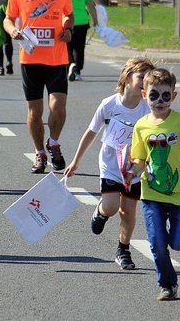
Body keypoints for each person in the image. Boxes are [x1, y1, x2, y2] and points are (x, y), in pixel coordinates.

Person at [122, 68, 180, 301]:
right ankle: (167, 284)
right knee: (156, 242)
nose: (160, 101)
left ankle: (169, 241)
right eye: (154, 95)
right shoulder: (142, 126)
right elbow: (140, 159)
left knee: (179, 243)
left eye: (166, 96)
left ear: (173, 97)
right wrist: (131, 171)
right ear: (144, 95)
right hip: (151, 194)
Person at [64, 57, 156, 270]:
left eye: (149, 80)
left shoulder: (148, 110)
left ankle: (123, 250)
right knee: (112, 206)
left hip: (135, 169)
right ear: (126, 77)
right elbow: (91, 133)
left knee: (128, 212)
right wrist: (76, 162)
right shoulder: (109, 104)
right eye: (141, 78)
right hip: (110, 165)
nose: (145, 83)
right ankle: (101, 211)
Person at [3, 0, 74, 174]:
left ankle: (53, 143)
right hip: (30, 58)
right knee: (35, 111)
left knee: (58, 107)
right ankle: (40, 154)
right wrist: (12, 30)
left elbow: (69, 15)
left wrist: (68, 28)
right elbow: (8, 19)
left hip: (56, 58)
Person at [63, 0, 98, 82]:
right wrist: (95, 21)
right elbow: (91, 6)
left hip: (67, 21)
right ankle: (77, 70)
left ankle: (71, 64)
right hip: (82, 21)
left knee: (68, 46)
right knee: (80, 47)